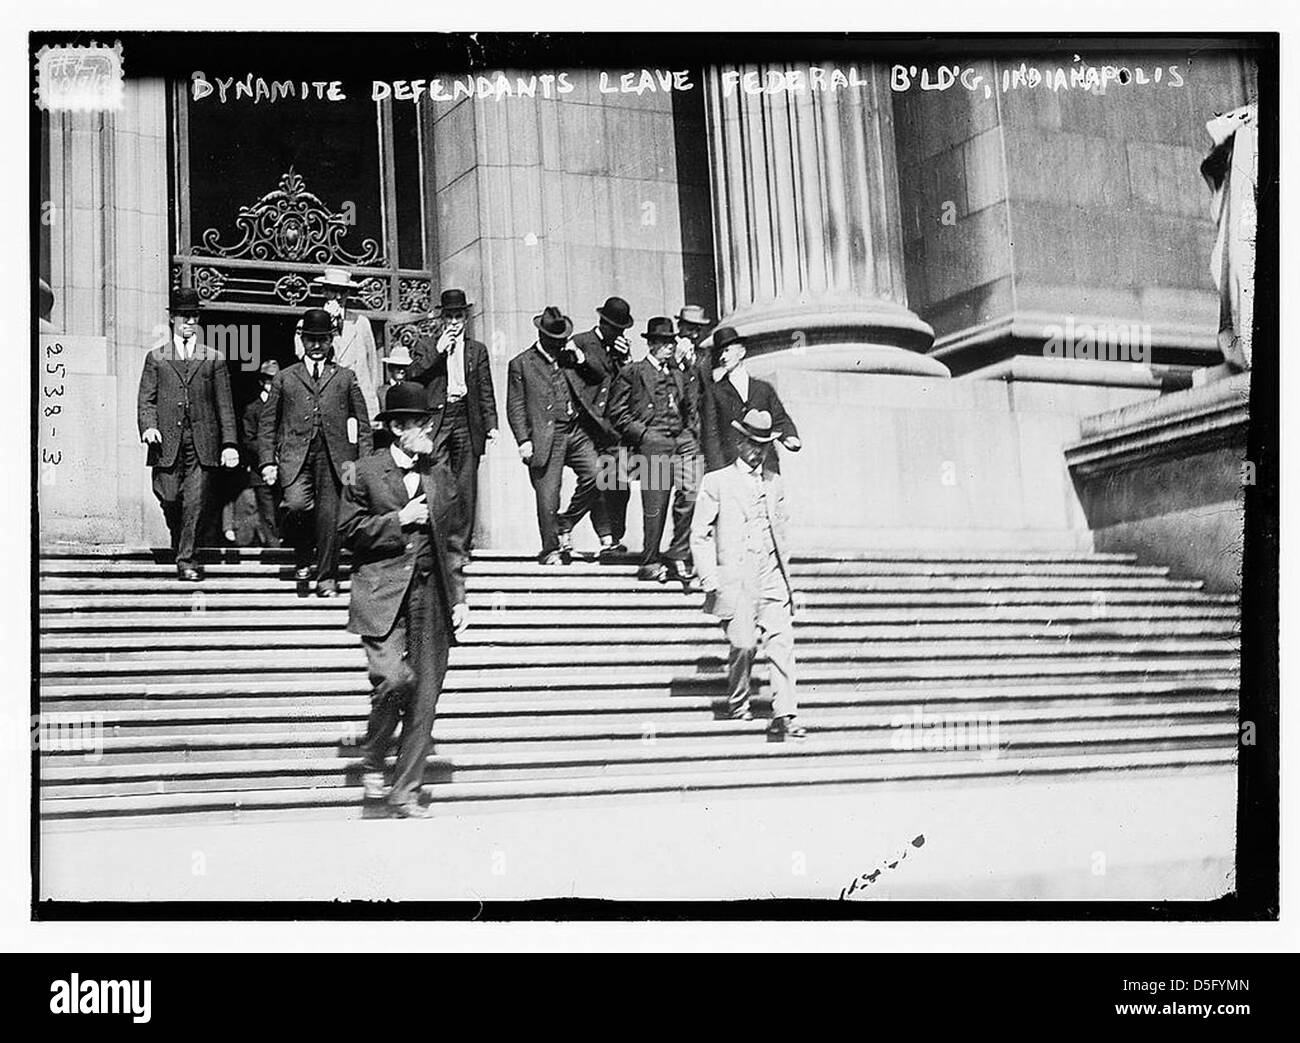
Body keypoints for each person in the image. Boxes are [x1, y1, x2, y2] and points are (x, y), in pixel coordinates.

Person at [338, 381, 470, 818]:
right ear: (397, 427)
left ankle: (405, 792)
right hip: (381, 592)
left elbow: (453, 540)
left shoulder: (440, 472)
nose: (427, 429)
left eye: (428, 421)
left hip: (430, 594)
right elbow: (347, 531)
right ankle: (375, 757)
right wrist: (399, 519)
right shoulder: (363, 470)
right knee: (396, 680)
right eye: (418, 423)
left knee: (426, 695)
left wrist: (460, 599)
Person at [691, 408, 806, 742]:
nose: (759, 451)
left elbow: (781, 534)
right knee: (743, 645)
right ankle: (738, 701)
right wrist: (709, 578)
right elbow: (699, 535)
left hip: (771, 575)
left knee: (781, 644)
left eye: (765, 445)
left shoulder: (775, 483)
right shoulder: (717, 482)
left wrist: (789, 584)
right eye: (753, 444)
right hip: (737, 578)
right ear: (739, 442)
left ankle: (785, 714)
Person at [258, 307, 373, 597]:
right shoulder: (286, 377)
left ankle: (326, 578)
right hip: (295, 457)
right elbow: (268, 422)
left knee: (330, 518)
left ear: (331, 340)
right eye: (311, 340)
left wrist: (362, 465)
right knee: (296, 506)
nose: (317, 346)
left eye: (323, 339)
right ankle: (301, 557)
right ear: (303, 341)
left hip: (338, 459)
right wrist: (267, 461)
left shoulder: (346, 377)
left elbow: (363, 425)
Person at [136, 286, 240, 581]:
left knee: (194, 501)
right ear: (173, 319)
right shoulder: (156, 358)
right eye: (183, 316)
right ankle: (178, 533)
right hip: (166, 442)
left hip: (202, 442)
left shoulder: (213, 358)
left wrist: (229, 443)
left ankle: (187, 560)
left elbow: (225, 405)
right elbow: (147, 399)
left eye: (193, 316)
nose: (189, 321)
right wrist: (149, 427)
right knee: (169, 496)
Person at [506, 306, 609, 564]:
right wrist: (523, 440)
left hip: (575, 431)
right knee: (548, 495)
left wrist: (581, 358)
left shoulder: (569, 356)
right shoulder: (521, 363)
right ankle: (551, 549)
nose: (559, 344)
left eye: (562, 339)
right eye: (555, 340)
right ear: (542, 337)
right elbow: (515, 405)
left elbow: (599, 376)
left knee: (598, 475)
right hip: (544, 436)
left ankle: (567, 521)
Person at [606, 316, 703, 583]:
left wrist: (691, 433)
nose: (669, 346)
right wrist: (644, 435)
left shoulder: (679, 373)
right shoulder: (634, 372)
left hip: (682, 439)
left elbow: (692, 402)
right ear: (651, 344)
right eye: (663, 342)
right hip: (654, 439)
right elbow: (616, 412)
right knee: (656, 503)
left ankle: (679, 552)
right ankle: (650, 561)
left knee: (691, 491)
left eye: (671, 341)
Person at [404, 289, 499, 549]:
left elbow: (485, 388)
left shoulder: (477, 350)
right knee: (438, 478)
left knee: (466, 484)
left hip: (467, 419)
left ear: (465, 318)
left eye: (459, 317)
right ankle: (440, 542)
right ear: (442, 318)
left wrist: (491, 425)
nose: (455, 322)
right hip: (438, 419)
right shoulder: (426, 345)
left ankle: (462, 546)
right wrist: (438, 351)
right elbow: (412, 376)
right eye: (450, 317)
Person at [564, 295, 635, 557]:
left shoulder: (621, 350)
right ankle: (605, 540)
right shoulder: (581, 342)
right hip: (587, 426)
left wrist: (626, 360)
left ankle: (615, 536)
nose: (617, 333)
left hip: (612, 428)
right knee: (597, 481)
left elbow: (628, 384)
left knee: (620, 485)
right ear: (602, 322)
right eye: (614, 328)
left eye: (621, 329)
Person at [699, 325, 801, 473]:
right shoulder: (714, 392)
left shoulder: (763, 388)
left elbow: (780, 418)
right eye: (720, 353)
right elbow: (710, 436)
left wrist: (789, 436)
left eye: (727, 351)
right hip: (732, 466)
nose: (723, 357)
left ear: (742, 352)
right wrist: (720, 471)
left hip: (766, 463)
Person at [313, 267, 383, 421]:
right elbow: (306, 357)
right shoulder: (311, 322)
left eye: (343, 291)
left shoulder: (361, 322)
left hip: (358, 400)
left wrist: (372, 403)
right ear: (324, 292)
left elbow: (372, 366)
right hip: (328, 400)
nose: (338, 296)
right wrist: (325, 322)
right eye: (333, 290)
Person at [239, 359, 282, 547]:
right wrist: (269, 455)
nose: (272, 384)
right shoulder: (252, 409)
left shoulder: (285, 407)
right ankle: (275, 550)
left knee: (285, 508)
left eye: (275, 380)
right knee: (267, 511)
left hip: (285, 467)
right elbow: (249, 440)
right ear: (261, 382)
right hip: (260, 469)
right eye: (268, 380)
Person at [373, 343, 414, 452]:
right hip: (389, 440)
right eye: (398, 367)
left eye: (404, 367)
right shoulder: (382, 391)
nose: (402, 370)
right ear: (390, 368)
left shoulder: (412, 390)